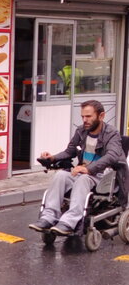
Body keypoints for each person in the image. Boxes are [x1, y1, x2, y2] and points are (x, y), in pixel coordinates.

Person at [29, 100, 129, 237]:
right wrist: (52, 158)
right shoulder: (81, 131)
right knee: (60, 176)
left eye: (88, 116)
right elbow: (69, 152)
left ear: (101, 116)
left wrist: (89, 169)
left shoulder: (112, 133)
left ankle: (69, 222)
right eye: (83, 116)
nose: (84, 120)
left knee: (82, 179)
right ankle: (48, 217)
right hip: (85, 172)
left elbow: (112, 156)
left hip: (103, 175)